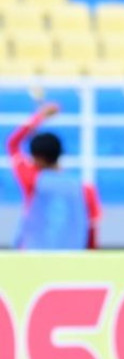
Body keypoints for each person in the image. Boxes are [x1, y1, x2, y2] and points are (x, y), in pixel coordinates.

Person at [7, 102, 101, 250]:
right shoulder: (85, 188)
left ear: (37, 158)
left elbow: (12, 144)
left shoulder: (32, 180)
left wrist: (39, 116)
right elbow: (92, 227)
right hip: (72, 257)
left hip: (33, 255)